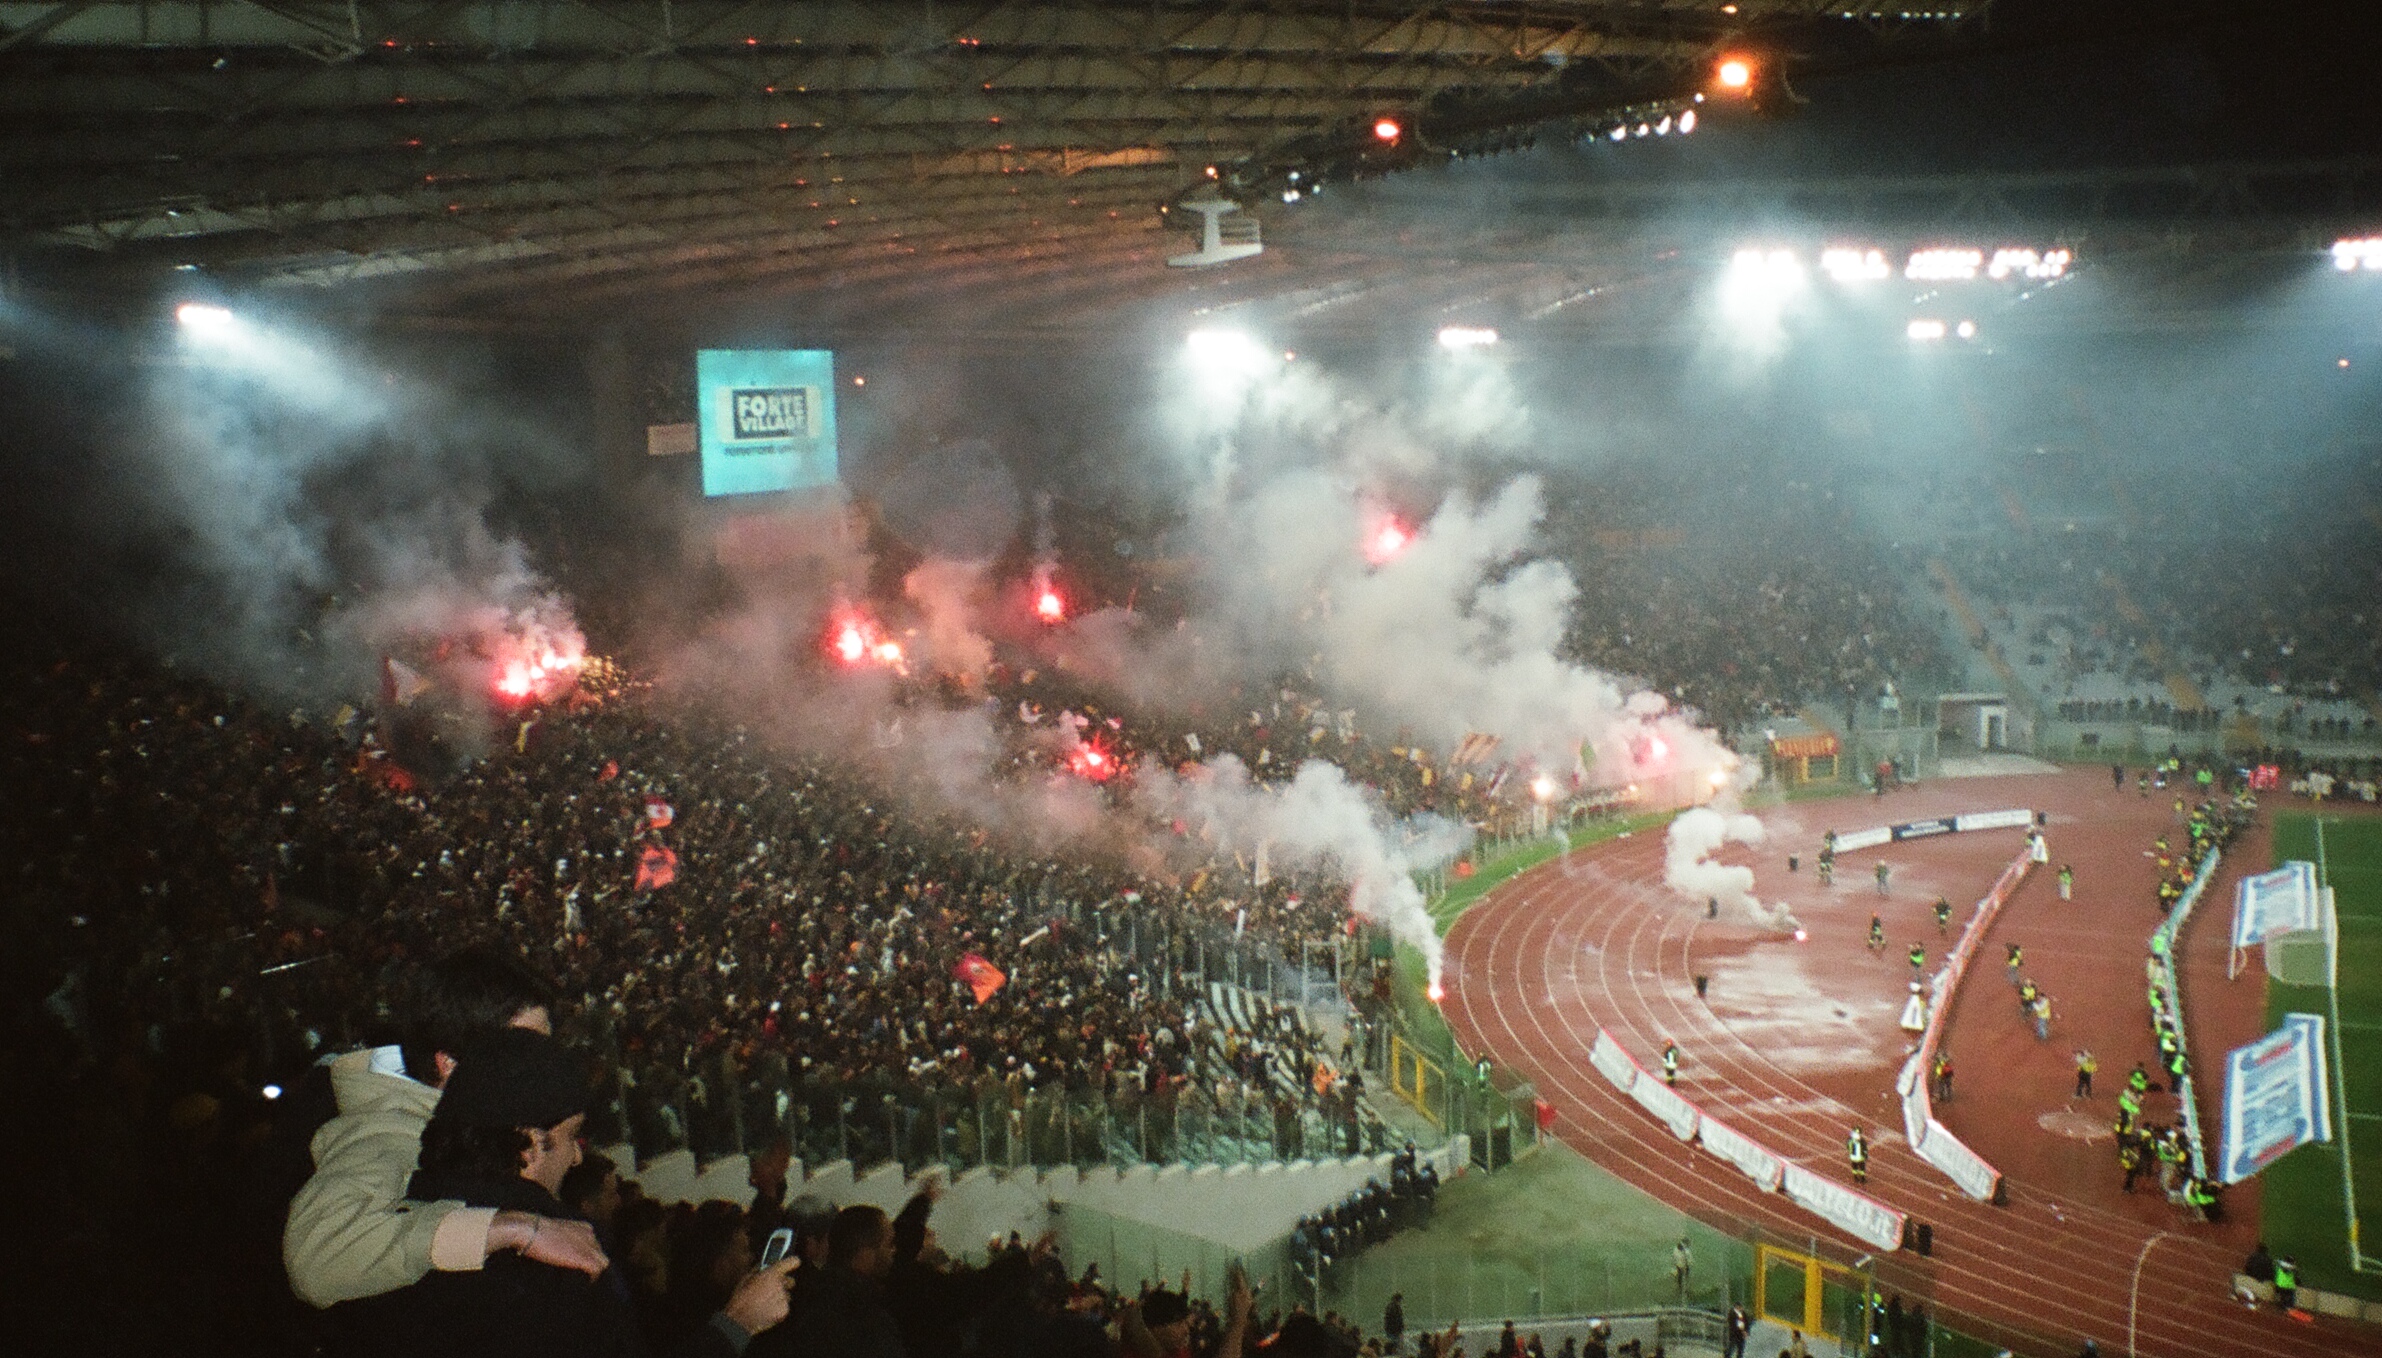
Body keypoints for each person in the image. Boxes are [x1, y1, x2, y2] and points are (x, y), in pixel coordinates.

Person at [284, 950, 607, 1311]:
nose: (542, 1066)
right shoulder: (387, 1135)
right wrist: (514, 1229)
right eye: (520, 1049)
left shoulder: (457, 1127)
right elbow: (318, 1260)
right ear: (450, 1065)